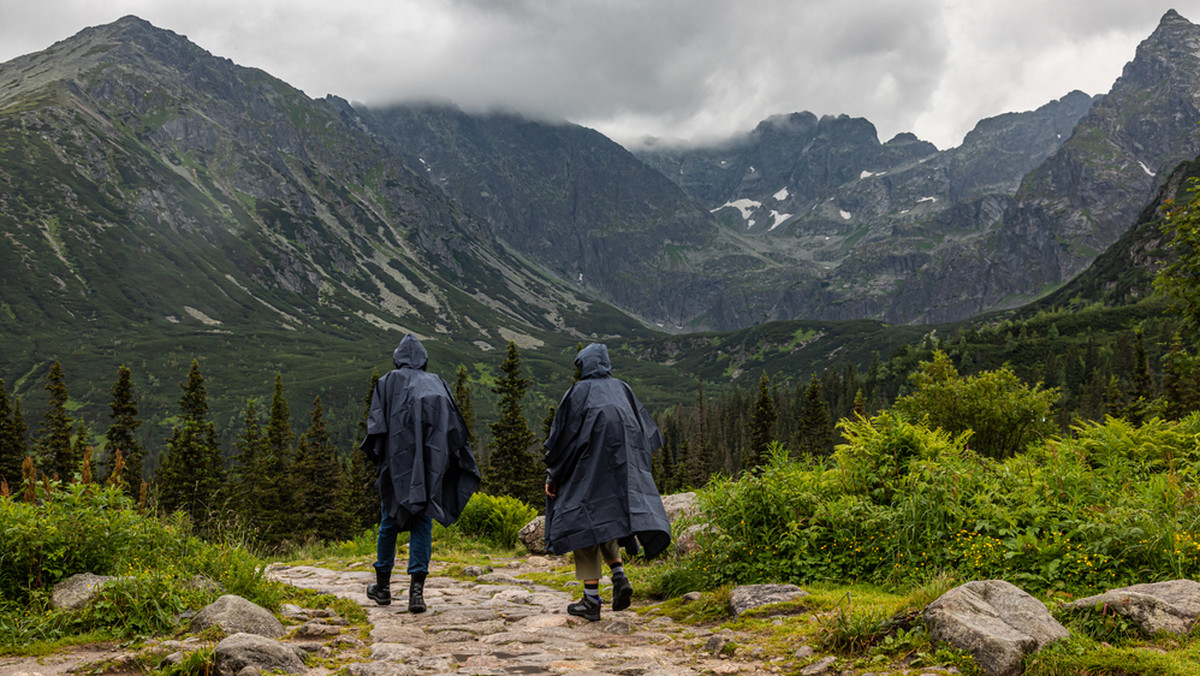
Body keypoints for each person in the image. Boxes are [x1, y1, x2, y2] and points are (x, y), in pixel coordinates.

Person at [543, 343, 671, 622]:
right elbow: (646, 433)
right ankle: (619, 576)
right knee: (608, 519)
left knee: (583, 525)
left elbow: (562, 440)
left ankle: (590, 601)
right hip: (621, 472)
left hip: (586, 471)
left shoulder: (577, 393)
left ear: (584, 365)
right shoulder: (623, 389)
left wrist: (553, 475)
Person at [360, 334, 480, 612]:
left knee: (389, 519)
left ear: (398, 357)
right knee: (423, 522)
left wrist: (381, 458)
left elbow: (376, 427)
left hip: (396, 464)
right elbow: (452, 428)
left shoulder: (387, 382)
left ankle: (383, 588)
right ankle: (417, 594)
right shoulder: (437, 383)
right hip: (430, 465)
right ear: (423, 359)